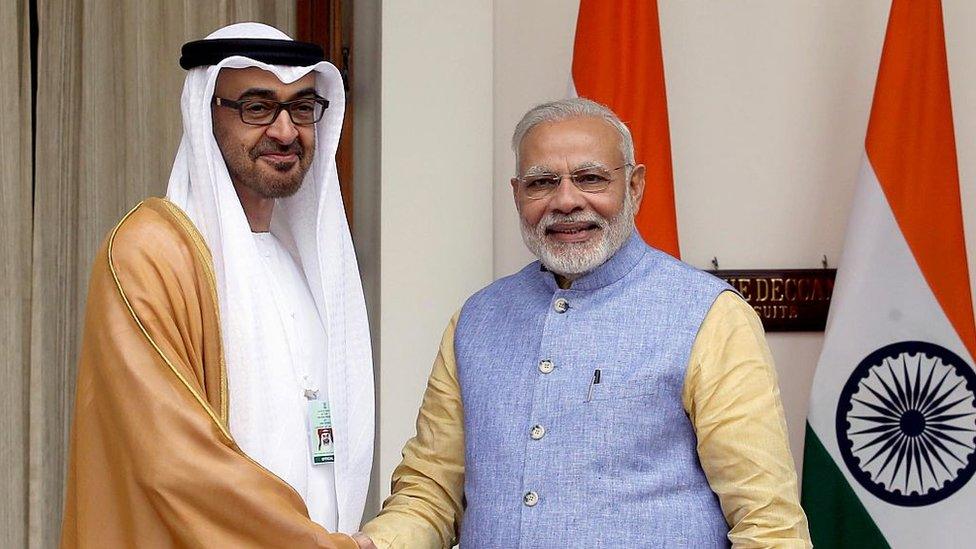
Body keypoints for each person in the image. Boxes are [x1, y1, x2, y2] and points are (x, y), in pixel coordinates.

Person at [359, 98, 812, 548]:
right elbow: (431, 495)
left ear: (635, 187)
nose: (567, 200)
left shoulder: (709, 317)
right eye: (542, 182)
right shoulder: (478, 320)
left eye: (590, 178)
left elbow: (768, 523)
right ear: (517, 195)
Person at [61, 23, 373, 548]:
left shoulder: (298, 263)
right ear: (207, 115)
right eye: (257, 106)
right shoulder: (152, 253)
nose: (284, 130)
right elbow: (175, 463)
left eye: (301, 108)